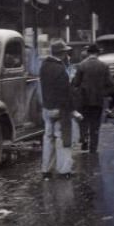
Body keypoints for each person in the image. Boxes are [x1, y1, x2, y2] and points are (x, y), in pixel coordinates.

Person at [39, 40, 80, 178]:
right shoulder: (60, 69)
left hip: (47, 108)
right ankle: (64, 171)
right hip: (60, 109)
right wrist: (72, 110)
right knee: (63, 139)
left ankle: (46, 171)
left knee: (48, 138)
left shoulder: (44, 66)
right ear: (62, 54)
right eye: (65, 52)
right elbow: (65, 92)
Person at [72, 43, 114, 153]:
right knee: (95, 124)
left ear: (88, 53)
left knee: (83, 121)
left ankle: (84, 138)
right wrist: (104, 93)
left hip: (83, 99)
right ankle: (93, 148)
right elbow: (110, 84)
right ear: (97, 53)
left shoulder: (81, 65)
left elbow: (76, 83)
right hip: (97, 100)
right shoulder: (104, 66)